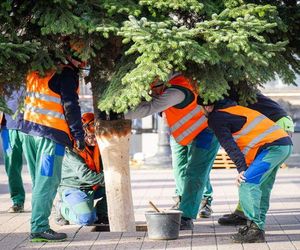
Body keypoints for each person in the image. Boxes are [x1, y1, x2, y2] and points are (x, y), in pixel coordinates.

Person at [125, 73, 220, 230]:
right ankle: (183, 201)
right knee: (180, 170)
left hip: (205, 132)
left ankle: (187, 215)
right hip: (182, 133)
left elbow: (149, 107)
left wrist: (116, 114)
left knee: (195, 172)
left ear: (162, 83)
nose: (152, 94)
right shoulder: (170, 86)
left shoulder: (175, 92)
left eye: (153, 89)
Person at [200, 98, 292, 243]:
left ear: (208, 106)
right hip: (282, 145)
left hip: (272, 147)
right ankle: (257, 227)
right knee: (262, 186)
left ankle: (255, 229)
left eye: (201, 107)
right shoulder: (235, 108)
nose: (201, 111)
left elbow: (230, 146)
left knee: (246, 183)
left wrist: (242, 170)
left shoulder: (216, 117)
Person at [20, 40, 86, 242]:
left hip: (29, 132)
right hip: (51, 135)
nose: (83, 64)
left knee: (39, 181)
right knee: (47, 182)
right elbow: (70, 107)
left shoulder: (40, 68)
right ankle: (39, 228)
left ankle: (39, 223)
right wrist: (78, 135)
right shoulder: (66, 73)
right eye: (82, 59)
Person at [55, 112, 108, 226]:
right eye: (91, 136)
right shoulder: (71, 150)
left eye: (97, 136)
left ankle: (101, 213)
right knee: (86, 220)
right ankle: (61, 208)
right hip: (74, 188)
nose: (95, 140)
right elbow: (86, 176)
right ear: (83, 133)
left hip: (92, 186)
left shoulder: (99, 147)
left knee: (117, 188)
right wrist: (109, 178)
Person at [0, 87, 26, 213]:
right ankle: (18, 201)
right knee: (11, 166)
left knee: (37, 165)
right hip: (7, 127)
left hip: (31, 126)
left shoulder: (32, 71)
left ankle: (42, 200)